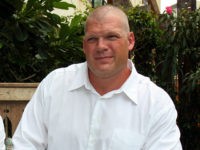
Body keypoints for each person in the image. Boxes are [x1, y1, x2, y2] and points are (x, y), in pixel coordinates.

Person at [12, 5, 182, 150]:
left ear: (130, 41)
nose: (101, 46)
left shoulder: (156, 104)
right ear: (84, 45)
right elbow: (25, 145)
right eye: (93, 39)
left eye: (111, 37)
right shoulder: (54, 85)